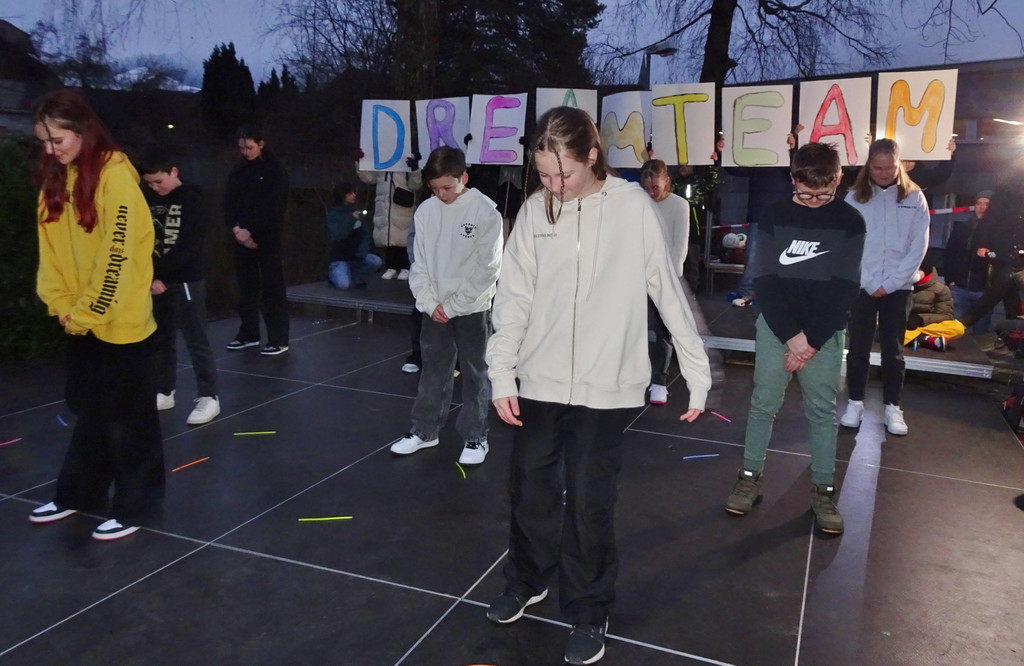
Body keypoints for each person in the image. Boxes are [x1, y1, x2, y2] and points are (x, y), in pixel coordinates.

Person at [484, 107, 711, 665]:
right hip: (539, 378)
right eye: (544, 175)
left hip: (606, 385)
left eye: (563, 174)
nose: (554, 186)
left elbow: (667, 288)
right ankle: (528, 578)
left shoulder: (632, 207)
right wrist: (501, 372)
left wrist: (696, 369)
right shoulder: (535, 211)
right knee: (528, 489)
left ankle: (589, 610)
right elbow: (512, 298)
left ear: (592, 156)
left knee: (589, 499)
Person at [29, 89, 164, 541]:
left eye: (58, 140)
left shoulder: (116, 176)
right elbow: (50, 254)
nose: (51, 150)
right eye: (44, 142)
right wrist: (61, 305)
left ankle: (137, 505)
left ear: (82, 131)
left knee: (130, 419)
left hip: (120, 322)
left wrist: (87, 311)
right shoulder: (56, 180)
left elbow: (118, 255)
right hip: (78, 319)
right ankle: (79, 494)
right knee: (91, 411)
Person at [724, 142, 865, 534]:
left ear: (838, 179)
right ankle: (749, 478)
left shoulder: (851, 221)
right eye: (805, 194)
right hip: (776, 328)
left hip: (823, 333)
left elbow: (846, 287)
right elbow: (765, 280)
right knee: (762, 405)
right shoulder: (773, 214)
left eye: (824, 194)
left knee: (821, 412)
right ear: (792, 179)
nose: (815, 201)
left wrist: (811, 341)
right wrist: (791, 337)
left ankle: (823, 490)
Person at [389, 146, 502, 465]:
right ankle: (425, 430)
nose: (441, 194)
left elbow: (488, 269)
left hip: (472, 308)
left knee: (475, 372)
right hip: (434, 307)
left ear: (464, 177)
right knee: (434, 371)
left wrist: (453, 306)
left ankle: (476, 436)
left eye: (447, 187)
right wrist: (429, 302)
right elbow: (419, 263)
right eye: (434, 188)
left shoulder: (485, 212)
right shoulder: (426, 211)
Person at [840, 139, 930, 436]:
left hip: (899, 287)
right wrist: (868, 281)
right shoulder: (854, 198)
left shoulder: (915, 198)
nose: (882, 173)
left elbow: (918, 247)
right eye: (877, 168)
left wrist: (891, 283)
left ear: (898, 164)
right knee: (858, 348)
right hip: (862, 285)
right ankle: (854, 402)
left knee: (894, 350)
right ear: (869, 166)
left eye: (888, 167)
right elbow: (847, 244)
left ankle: (893, 406)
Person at [138, 147, 222, 426]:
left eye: (159, 181)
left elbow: (189, 245)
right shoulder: (148, 199)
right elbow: (142, 240)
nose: (155, 187)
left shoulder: (192, 200)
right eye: (149, 183)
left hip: (185, 280)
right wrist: (150, 277)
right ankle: (164, 390)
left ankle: (209, 396)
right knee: (160, 338)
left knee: (196, 339)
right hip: (156, 282)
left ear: (173, 172)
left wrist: (161, 275)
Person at [224, 124, 291, 355]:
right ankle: (249, 333)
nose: (245, 152)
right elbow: (228, 201)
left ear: (261, 144)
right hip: (241, 235)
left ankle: (278, 338)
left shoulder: (275, 169)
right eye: (241, 148)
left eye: (249, 147)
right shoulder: (238, 169)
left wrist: (250, 230)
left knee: (272, 287)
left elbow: (274, 206)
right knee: (246, 287)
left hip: (267, 236)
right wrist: (236, 229)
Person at [640, 158, 690, 405]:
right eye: (647, 188)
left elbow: (680, 244)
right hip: (637, 275)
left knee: (663, 331)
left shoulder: (679, 205)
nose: (651, 192)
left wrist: (671, 277)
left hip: (666, 276)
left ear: (666, 181)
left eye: (655, 187)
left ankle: (659, 382)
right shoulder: (638, 204)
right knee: (633, 329)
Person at [357, 155, 421, 280]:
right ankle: (391, 267)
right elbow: (369, 178)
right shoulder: (382, 160)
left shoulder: (406, 159)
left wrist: (415, 169)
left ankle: (406, 267)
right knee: (388, 236)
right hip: (384, 204)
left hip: (402, 203)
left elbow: (416, 185)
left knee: (403, 235)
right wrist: (360, 162)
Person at [945, 190, 993, 334]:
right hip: (960, 287)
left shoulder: (998, 231)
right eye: (979, 203)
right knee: (957, 332)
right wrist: (950, 280)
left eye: (986, 204)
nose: (982, 207)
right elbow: (950, 253)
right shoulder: (962, 227)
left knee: (980, 333)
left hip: (984, 290)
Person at [326, 181, 381, 289]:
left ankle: (357, 278)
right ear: (342, 195)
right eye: (350, 193)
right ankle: (333, 275)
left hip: (356, 256)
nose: (354, 195)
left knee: (376, 261)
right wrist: (351, 220)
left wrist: (362, 251)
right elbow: (338, 235)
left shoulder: (357, 212)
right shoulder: (334, 215)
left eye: (354, 193)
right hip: (339, 258)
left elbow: (365, 235)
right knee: (343, 285)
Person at [903, 263, 964, 350]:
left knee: (958, 328)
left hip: (926, 325)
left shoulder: (941, 289)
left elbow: (946, 315)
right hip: (902, 323)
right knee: (886, 326)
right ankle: (925, 340)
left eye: (919, 269)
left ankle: (913, 338)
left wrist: (921, 319)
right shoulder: (899, 284)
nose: (915, 272)